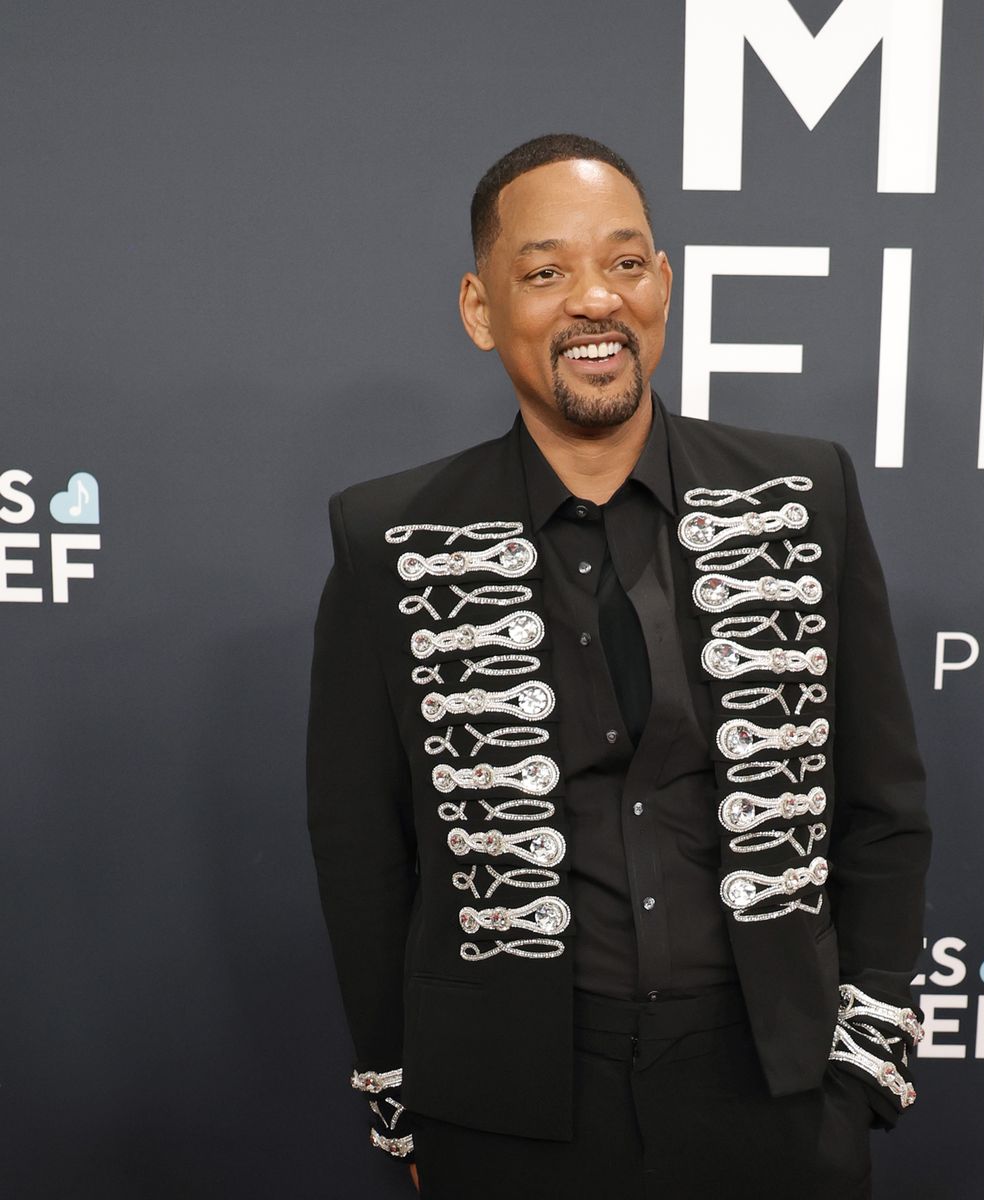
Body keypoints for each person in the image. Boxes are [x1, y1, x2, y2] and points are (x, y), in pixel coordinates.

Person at [306, 133, 931, 1200]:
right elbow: (363, 850)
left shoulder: (802, 495)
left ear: (665, 287)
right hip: (505, 1109)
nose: (595, 300)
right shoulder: (386, 540)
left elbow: (880, 800)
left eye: (626, 263)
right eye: (546, 273)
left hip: (776, 1094)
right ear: (480, 307)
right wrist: (407, 1102)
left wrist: (857, 1064)